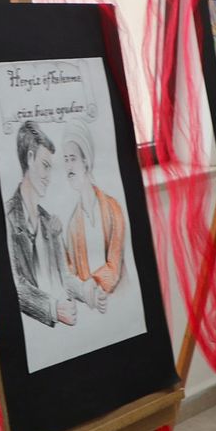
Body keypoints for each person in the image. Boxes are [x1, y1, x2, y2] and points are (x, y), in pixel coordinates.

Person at [5, 119, 75, 327]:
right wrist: (52, 309)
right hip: (30, 328)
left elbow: (65, 276)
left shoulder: (48, 221)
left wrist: (88, 292)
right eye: (45, 166)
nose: (49, 177)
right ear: (29, 158)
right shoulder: (6, 216)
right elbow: (13, 284)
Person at [58, 119, 126, 315]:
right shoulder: (72, 225)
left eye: (72, 158)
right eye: (65, 159)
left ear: (85, 161)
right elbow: (70, 272)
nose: (68, 166)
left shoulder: (113, 208)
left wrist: (94, 283)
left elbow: (114, 267)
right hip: (90, 309)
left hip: (118, 306)